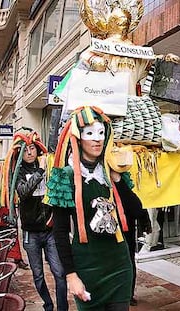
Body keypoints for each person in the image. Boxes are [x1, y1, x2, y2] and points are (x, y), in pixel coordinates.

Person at [48, 106, 137, 311]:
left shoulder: (113, 172)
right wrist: (71, 275)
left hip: (119, 265)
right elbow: (60, 232)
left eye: (101, 133)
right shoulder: (65, 176)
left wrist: (117, 180)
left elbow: (136, 211)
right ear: (78, 138)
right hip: (87, 267)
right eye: (89, 133)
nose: (97, 139)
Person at [11, 129, 68, 311]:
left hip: (50, 230)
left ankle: (62, 308)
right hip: (30, 233)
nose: (29, 152)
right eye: (25, 150)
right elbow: (23, 192)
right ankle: (48, 305)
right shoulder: (17, 172)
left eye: (32, 148)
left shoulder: (49, 166)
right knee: (38, 275)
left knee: (59, 273)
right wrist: (40, 171)